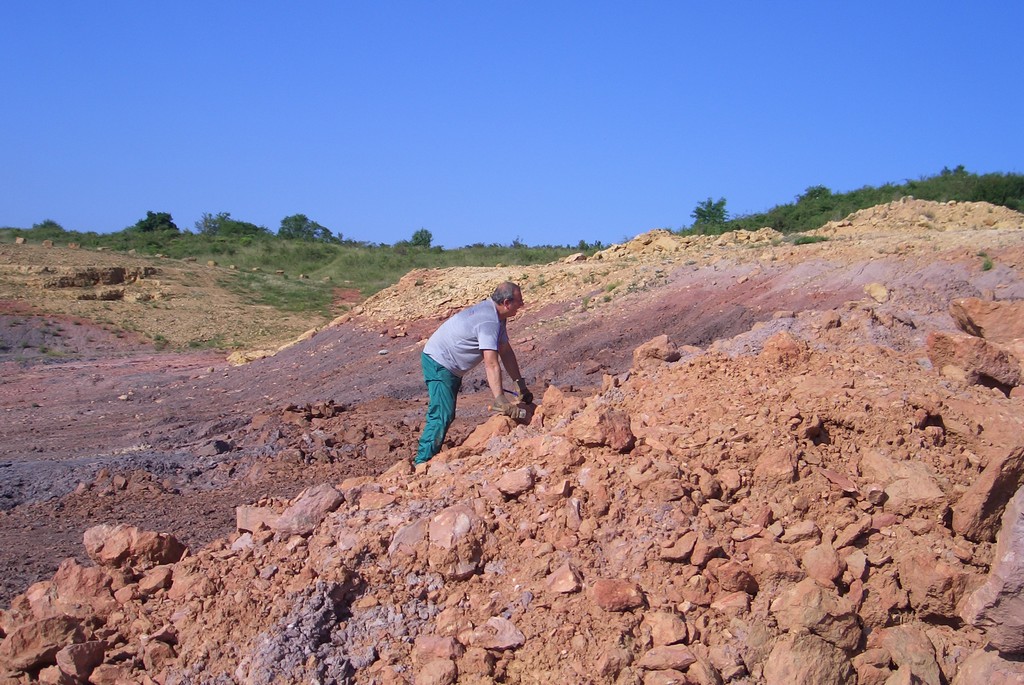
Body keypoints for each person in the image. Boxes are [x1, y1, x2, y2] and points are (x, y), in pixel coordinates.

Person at [414, 281, 533, 465]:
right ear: (507, 303)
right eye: (519, 301)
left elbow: (506, 351)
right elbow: (491, 363)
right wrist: (500, 399)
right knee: (442, 414)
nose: (522, 304)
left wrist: (520, 385)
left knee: (446, 413)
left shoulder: (498, 317)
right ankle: (422, 463)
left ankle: (427, 457)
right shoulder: (488, 320)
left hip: (450, 365)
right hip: (439, 362)